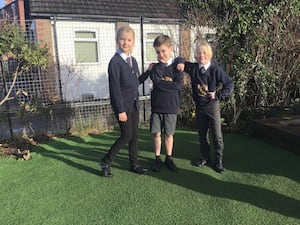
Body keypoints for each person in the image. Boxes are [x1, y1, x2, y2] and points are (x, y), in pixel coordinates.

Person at [99, 25, 150, 177]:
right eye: (122, 39)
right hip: (123, 107)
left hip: (134, 105)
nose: (125, 43)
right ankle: (106, 161)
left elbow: (136, 82)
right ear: (117, 41)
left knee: (134, 136)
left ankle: (134, 164)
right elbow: (114, 89)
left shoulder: (132, 60)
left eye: (129, 40)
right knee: (126, 135)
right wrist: (120, 110)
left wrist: (149, 71)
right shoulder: (115, 62)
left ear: (133, 42)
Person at [179, 40, 234, 174]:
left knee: (217, 136)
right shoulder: (193, 68)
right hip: (199, 108)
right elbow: (178, 60)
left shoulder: (215, 69)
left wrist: (218, 94)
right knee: (202, 135)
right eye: (199, 53)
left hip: (212, 107)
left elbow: (229, 84)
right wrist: (180, 62)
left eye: (204, 53)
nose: (201, 55)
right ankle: (204, 157)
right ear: (196, 56)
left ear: (209, 55)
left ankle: (218, 161)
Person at [149, 34, 184, 172]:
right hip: (157, 107)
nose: (161, 54)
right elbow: (157, 82)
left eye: (163, 51)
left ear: (171, 49)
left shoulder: (178, 67)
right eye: (158, 52)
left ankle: (169, 158)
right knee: (157, 134)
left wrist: (162, 85)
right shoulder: (156, 68)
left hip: (171, 107)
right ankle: (157, 158)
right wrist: (169, 84)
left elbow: (179, 86)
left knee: (169, 135)